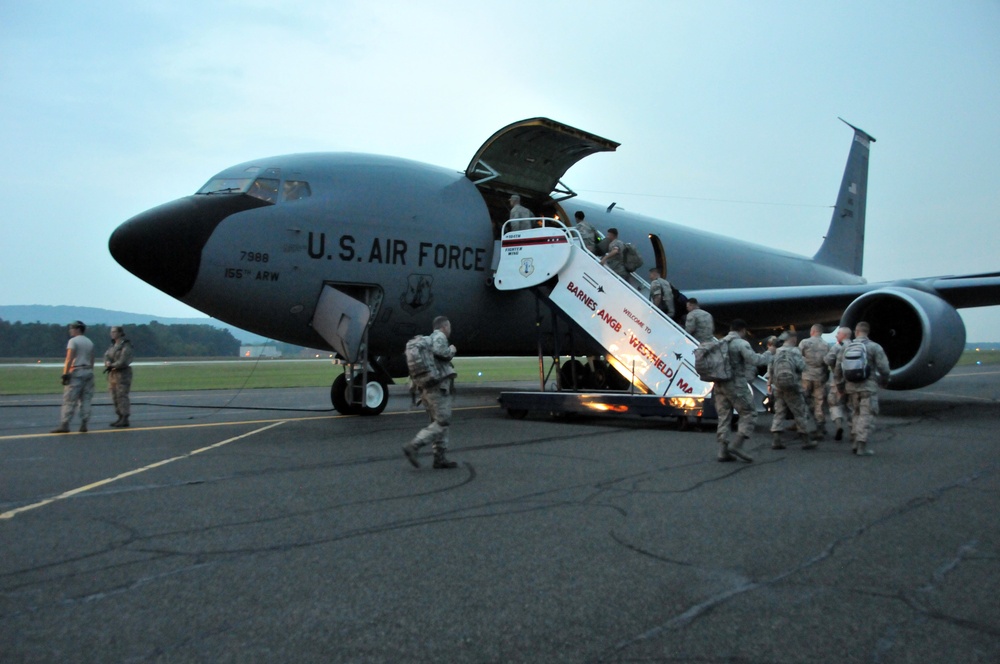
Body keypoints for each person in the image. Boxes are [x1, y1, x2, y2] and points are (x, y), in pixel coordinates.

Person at [403, 316, 459, 469]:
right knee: (443, 421)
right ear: (444, 327)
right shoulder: (439, 337)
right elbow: (442, 351)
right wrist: (452, 350)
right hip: (437, 389)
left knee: (438, 423)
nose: (450, 330)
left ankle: (440, 458)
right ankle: (414, 445)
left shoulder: (425, 342)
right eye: (449, 327)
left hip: (426, 389)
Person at [712, 319, 769, 462]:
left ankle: (722, 451)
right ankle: (737, 444)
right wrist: (770, 353)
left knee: (724, 415)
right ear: (742, 330)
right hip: (736, 383)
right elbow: (756, 360)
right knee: (749, 412)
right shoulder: (741, 343)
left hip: (719, 383)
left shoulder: (719, 342)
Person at [834, 321, 891, 456]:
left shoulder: (846, 347)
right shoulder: (874, 347)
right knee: (867, 415)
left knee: (855, 414)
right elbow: (884, 368)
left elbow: (837, 370)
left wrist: (840, 387)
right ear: (868, 332)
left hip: (851, 387)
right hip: (868, 387)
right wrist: (885, 381)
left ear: (856, 332)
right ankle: (861, 445)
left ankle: (854, 440)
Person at [770, 331, 823, 449]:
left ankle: (776, 439)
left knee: (779, 411)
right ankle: (805, 440)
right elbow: (802, 367)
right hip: (792, 385)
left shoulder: (777, 351)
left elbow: (771, 369)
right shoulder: (795, 351)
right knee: (800, 411)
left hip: (778, 385)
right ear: (793, 339)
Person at [52, 321, 95, 433]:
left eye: (72, 328)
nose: (70, 330)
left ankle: (65, 424)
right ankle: (84, 423)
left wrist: (65, 373)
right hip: (88, 371)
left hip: (76, 371)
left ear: (78, 329)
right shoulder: (89, 342)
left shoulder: (73, 341)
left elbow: (69, 358)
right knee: (86, 399)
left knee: (70, 399)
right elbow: (92, 359)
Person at [799, 323, 831, 432]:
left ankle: (802, 425)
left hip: (806, 376)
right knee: (819, 402)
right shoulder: (826, 344)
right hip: (820, 376)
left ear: (812, 331)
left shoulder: (805, 342)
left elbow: (798, 358)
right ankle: (820, 424)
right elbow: (828, 361)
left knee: (803, 400)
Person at [824, 325, 852, 441]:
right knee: (851, 407)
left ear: (844, 335)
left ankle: (839, 426)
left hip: (837, 381)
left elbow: (827, 360)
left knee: (835, 404)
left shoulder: (837, 347)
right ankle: (854, 431)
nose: (836, 335)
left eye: (838, 333)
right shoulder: (855, 346)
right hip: (852, 382)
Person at [104, 325, 134, 428]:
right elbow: (107, 355)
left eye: (114, 332)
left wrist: (112, 365)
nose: (112, 334)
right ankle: (119, 416)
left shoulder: (125, 345)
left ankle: (125, 417)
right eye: (111, 332)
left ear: (120, 333)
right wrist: (107, 362)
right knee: (114, 396)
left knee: (122, 395)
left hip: (122, 374)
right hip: (113, 374)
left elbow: (123, 360)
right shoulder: (112, 345)